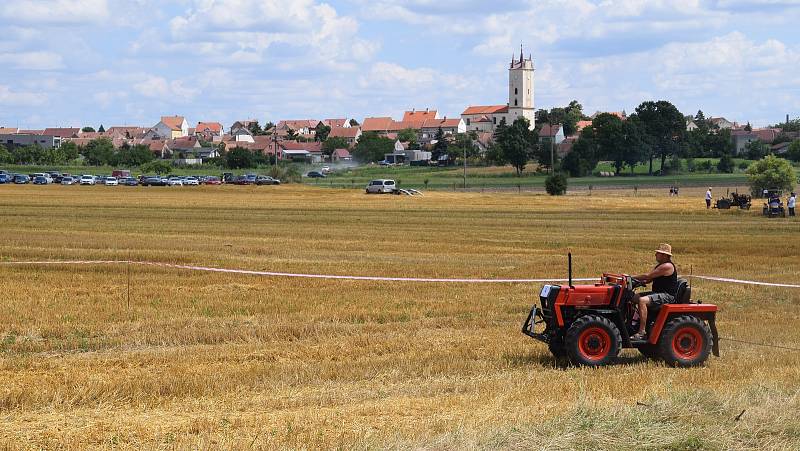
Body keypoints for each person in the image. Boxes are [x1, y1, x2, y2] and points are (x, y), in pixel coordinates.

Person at [630, 243, 678, 340]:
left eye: (658, 253)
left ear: (664, 255)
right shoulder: (660, 266)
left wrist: (629, 277)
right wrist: (638, 282)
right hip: (658, 293)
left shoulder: (667, 266)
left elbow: (648, 276)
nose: (655, 255)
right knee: (632, 297)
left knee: (642, 300)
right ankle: (633, 322)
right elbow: (649, 279)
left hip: (667, 295)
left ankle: (642, 332)